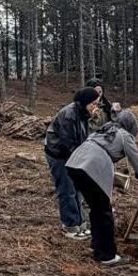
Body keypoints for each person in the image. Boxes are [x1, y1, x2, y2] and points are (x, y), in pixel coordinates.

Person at [66, 110, 138, 266]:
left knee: (96, 208)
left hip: (74, 164)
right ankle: (107, 255)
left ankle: (97, 247)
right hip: (92, 166)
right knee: (104, 212)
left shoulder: (104, 129)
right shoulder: (125, 135)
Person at [43, 87, 101, 239]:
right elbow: (69, 144)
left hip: (73, 154)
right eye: (93, 103)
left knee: (78, 189)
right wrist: (84, 162)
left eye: (97, 104)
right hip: (59, 155)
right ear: (85, 102)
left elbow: (86, 136)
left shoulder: (83, 113)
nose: (96, 107)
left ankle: (80, 222)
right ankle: (69, 225)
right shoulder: (69, 115)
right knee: (67, 189)